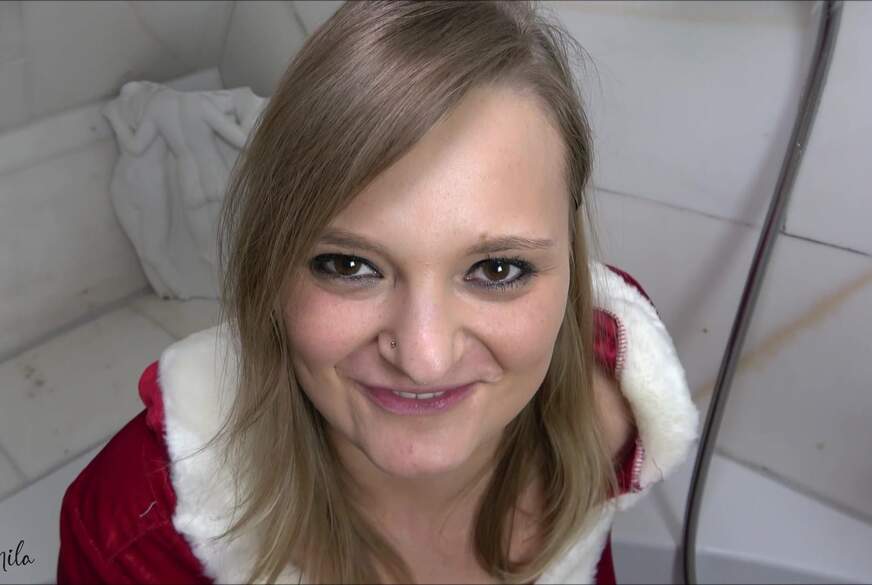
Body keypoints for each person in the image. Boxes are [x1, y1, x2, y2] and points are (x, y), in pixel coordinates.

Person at [57, 1, 698, 583]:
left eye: (498, 270)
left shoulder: (615, 399)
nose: (424, 360)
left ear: (571, 263)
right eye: (349, 265)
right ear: (270, 268)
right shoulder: (133, 530)